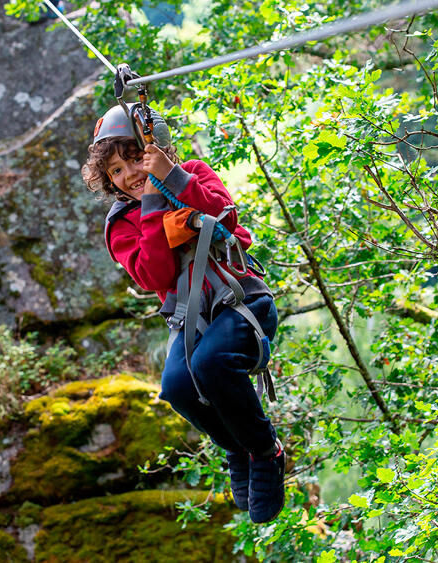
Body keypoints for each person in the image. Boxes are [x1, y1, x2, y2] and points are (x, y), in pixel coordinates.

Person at [81, 104, 286, 524]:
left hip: (243, 303)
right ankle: (238, 446)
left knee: (212, 365)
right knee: (177, 386)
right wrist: (155, 206)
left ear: (155, 150)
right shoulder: (122, 223)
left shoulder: (191, 172)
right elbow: (153, 273)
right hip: (192, 322)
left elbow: (227, 217)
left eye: (134, 158)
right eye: (116, 171)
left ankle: (267, 452)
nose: (129, 175)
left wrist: (174, 180)